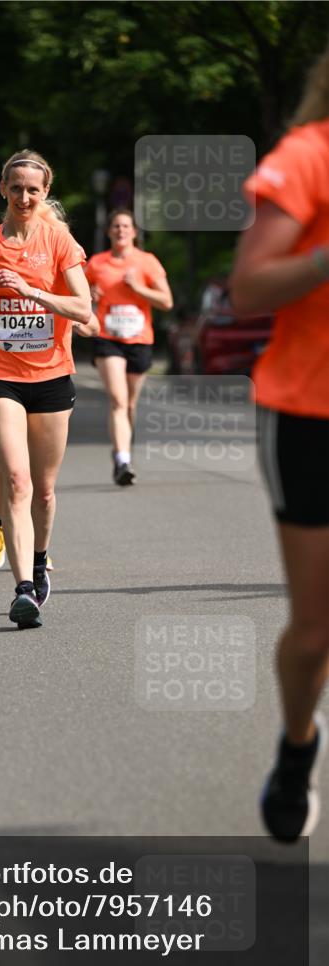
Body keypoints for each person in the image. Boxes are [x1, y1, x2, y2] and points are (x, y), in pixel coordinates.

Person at [231, 45, 329, 844]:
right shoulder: (306, 158)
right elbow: (249, 285)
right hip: (309, 413)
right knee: (315, 629)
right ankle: (298, 747)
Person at [0, 149, 91, 628]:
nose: (24, 197)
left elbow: (83, 308)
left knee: (45, 492)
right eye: (16, 188)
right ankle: (23, 589)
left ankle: (41, 559)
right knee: (17, 481)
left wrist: (31, 292)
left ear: (45, 192)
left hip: (51, 376)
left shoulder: (59, 241)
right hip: (0, 374)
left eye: (34, 189)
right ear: (2, 190)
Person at [79, 210, 173, 485]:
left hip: (139, 339)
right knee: (118, 400)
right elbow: (75, 294)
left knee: (130, 404)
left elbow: (166, 301)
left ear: (134, 232)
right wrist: (90, 296)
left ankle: (123, 450)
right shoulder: (97, 263)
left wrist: (138, 289)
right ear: (109, 232)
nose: (121, 230)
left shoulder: (147, 262)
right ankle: (122, 460)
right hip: (108, 339)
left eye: (126, 226)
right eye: (116, 226)